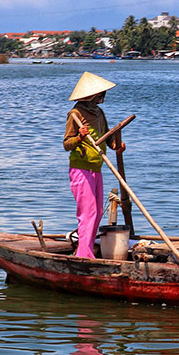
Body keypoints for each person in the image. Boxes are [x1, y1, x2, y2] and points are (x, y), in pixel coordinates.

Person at [63, 72, 124, 258]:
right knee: (87, 212)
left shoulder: (98, 113)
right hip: (81, 168)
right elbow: (67, 144)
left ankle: (86, 249)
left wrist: (117, 145)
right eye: (100, 94)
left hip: (97, 167)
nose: (103, 97)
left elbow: (106, 137)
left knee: (96, 212)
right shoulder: (75, 114)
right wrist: (80, 136)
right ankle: (84, 254)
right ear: (92, 95)